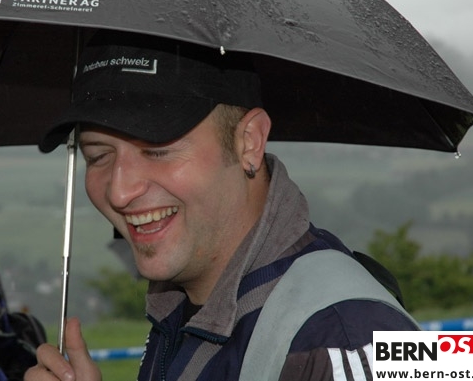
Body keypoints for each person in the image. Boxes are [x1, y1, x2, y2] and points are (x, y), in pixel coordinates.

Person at [26, 30, 418, 381]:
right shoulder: (183, 304)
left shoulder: (354, 338)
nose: (119, 191)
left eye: (157, 149)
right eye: (98, 156)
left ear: (249, 141)